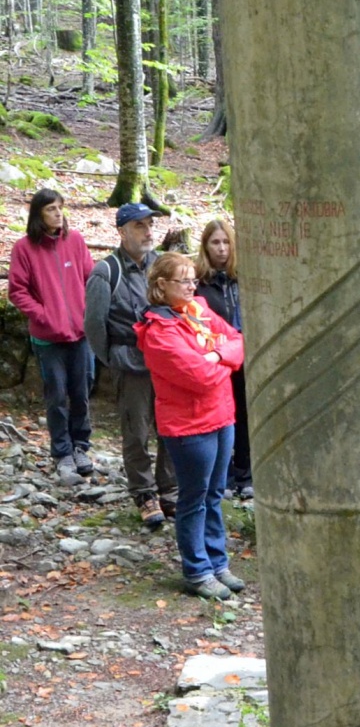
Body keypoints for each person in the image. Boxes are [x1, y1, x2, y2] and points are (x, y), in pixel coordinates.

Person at [134, 253, 246, 600]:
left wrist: (215, 356)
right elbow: (199, 378)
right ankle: (197, 570)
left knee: (215, 495)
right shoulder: (158, 332)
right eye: (183, 281)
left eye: (192, 279)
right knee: (194, 499)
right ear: (161, 286)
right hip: (188, 426)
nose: (191, 286)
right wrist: (221, 357)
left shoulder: (198, 309)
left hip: (221, 416)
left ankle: (218, 562)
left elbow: (239, 341)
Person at [85, 203, 177, 529]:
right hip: (131, 365)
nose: (148, 231)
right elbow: (94, 326)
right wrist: (113, 360)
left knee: (169, 427)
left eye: (150, 224)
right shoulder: (105, 272)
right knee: (136, 432)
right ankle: (143, 493)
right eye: (139, 225)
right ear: (122, 231)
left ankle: (169, 490)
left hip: (165, 363)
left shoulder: (160, 266)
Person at [8, 188, 94, 483]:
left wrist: (88, 315)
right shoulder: (24, 248)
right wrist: (44, 315)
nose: (58, 213)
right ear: (38, 214)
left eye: (60, 208)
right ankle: (62, 452)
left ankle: (81, 446)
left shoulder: (76, 241)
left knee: (81, 394)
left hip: (81, 334)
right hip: (48, 338)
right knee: (56, 396)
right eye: (51, 209)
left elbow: (91, 280)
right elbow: (17, 291)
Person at [195, 220, 253, 500]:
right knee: (220, 417)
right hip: (216, 359)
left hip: (244, 357)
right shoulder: (199, 284)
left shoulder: (243, 279)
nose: (221, 249)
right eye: (215, 243)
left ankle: (246, 473)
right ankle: (224, 475)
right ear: (205, 246)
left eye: (226, 242)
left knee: (244, 414)